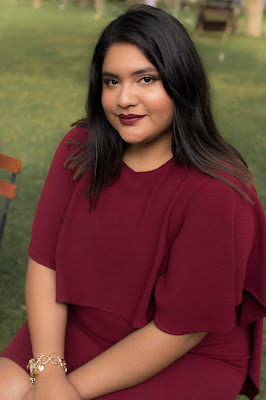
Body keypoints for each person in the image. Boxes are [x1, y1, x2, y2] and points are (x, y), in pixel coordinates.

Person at [0, 5, 265, 400]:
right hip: (71, 328)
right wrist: (50, 369)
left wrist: (66, 391)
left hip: (178, 355)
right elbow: (44, 263)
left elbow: (182, 330)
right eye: (111, 81)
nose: (124, 98)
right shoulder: (81, 148)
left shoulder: (219, 191)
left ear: (181, 81)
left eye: (146, 79)